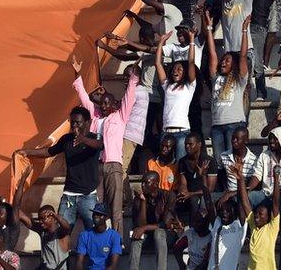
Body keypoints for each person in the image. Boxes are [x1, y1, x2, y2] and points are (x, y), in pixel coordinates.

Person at [70, 56, 136, 233]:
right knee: (97, 206)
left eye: (108, 103)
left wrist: (133, 79)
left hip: (113, 165)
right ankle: (97, 238)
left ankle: (118, 241)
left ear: (114, 104)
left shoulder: (120, 117)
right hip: (95, 165)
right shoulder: (95, 116)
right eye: (102, 102)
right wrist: (78, 73)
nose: (104, 105)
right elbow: (83, 96)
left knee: (115, 207)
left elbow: (129, 97)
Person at [16, 105, 102, 233]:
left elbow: (100, 145)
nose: (74, 126)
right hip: (69, 196)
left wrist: (83, 139)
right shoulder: (66, 139)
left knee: (94, 231)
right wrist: (27, 152)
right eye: (72, 122)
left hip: (88, 195)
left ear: (87, 122)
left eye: (78, 123)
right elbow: (49, 151)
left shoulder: (95, 138)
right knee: (61, 232)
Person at [204, 12, 250, 157]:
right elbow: (212, 54)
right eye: (223, 60)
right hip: (217, 126)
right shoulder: (216, 77)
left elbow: (242, 56)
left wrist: (244, 31)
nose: (223, 62)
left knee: (233, 162)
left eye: (227, 61)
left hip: (235, 125)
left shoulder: (239, 79)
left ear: (234, 64)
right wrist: (210, 29)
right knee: (219, 164)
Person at [154, 32, 196, 159]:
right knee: (165, 164)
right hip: (165, 132)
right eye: (174, 69)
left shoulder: (189, 86)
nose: (175, 71)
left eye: (179, 69)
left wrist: (192, 40)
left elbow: (191, 63)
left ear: (184, 74)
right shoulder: (167, 85)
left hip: (182, 132)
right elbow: (158, 64)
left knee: (180, 165)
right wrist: (161, 42)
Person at [129, 171, 177, 270]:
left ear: (156, 184)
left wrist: (144, 228)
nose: (142, 185)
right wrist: (143, 201)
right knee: (136, 235)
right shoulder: (139, 198)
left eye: (147, 182)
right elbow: (140, 225)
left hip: (166, 236)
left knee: (158, 232)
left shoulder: (168, 196)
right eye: (142, 182)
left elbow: (166, 224)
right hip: (149, 236)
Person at [74, 203, 121, 270]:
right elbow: (79, 262)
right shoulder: (84, 235)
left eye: (99, 214)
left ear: (106, 217)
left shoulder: (115, 236)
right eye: (94, 213)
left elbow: (113, 265)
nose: (96, 216)